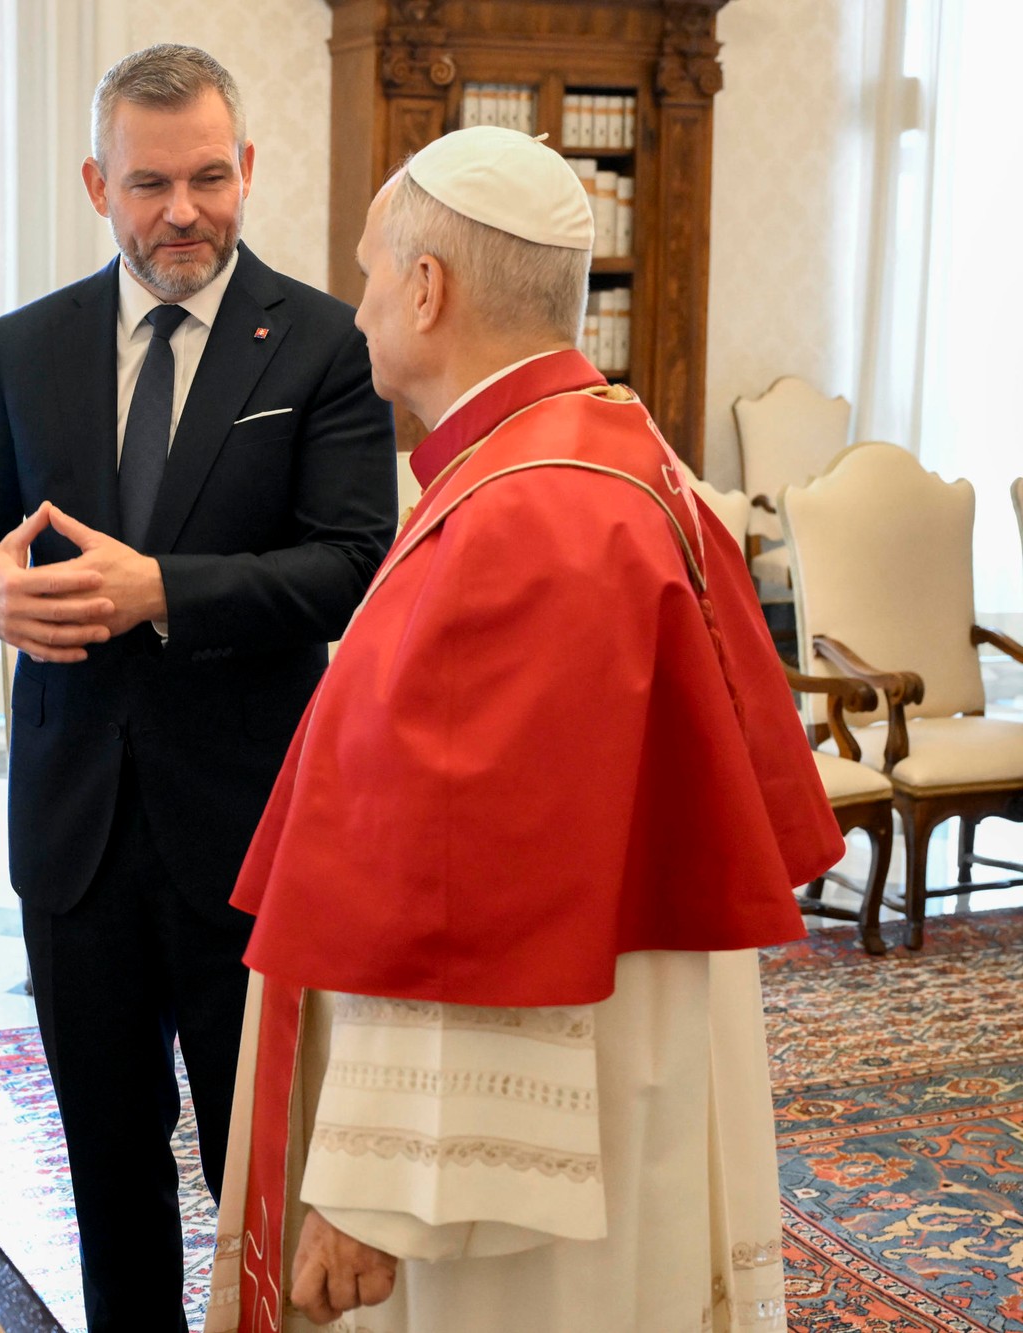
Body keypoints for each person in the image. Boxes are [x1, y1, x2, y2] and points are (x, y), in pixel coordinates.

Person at [206, 126, 845, 1332]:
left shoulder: (523, 517)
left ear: (427, 287)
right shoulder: (601, 448)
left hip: (520, 1135)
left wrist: (372, 1189)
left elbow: (468, 888)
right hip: (607, 1052)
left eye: (365, 272)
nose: (354, 312)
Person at [0, 45, 396, 1331]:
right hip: (71, 837)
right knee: (109, 1171)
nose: (181, 210)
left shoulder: (321, 343)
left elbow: (351, 564)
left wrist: (162, 590)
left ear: (246, 169)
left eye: (206, 177)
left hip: (249, 834)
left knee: (260, 1169)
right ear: (95, 184)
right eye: (147, 183)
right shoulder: (22, 347)